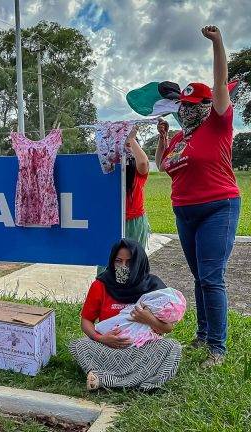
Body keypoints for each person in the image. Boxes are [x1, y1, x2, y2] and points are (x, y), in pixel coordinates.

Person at [155, 26, 240, 368]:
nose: (187, 109)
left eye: (193, 104)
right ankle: (202, 335)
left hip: (218, 207)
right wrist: (162, 137)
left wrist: (218, 43)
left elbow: (220, 84)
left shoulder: (218, 124)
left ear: (207, 105)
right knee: (198, 277)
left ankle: (217, 348)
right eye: (184, 105)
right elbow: (163, 166)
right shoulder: (179, 137)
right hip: (184, 211)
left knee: (211, 277)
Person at [69, 239, 183, 391]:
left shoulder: (153, 286)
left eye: (129, 263)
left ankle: (106, 378)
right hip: (108, 349)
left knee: (172, 346)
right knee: (79, 345)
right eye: (118, 261)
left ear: (138, 263)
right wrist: (101, 338)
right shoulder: (101, 284)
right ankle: (138, 379)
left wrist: (148, 319)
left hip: (142, 349)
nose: (123, 267)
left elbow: (167, 329)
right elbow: (86, 321)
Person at [124, 131, 151, 250]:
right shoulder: (111, 170)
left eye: (129, 146)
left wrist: (131, 139)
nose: (126, 149)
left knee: (132, 261)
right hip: (112, 219)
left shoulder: (138, 172)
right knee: (109, 262)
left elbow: (143, 162)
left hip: (134, 221)